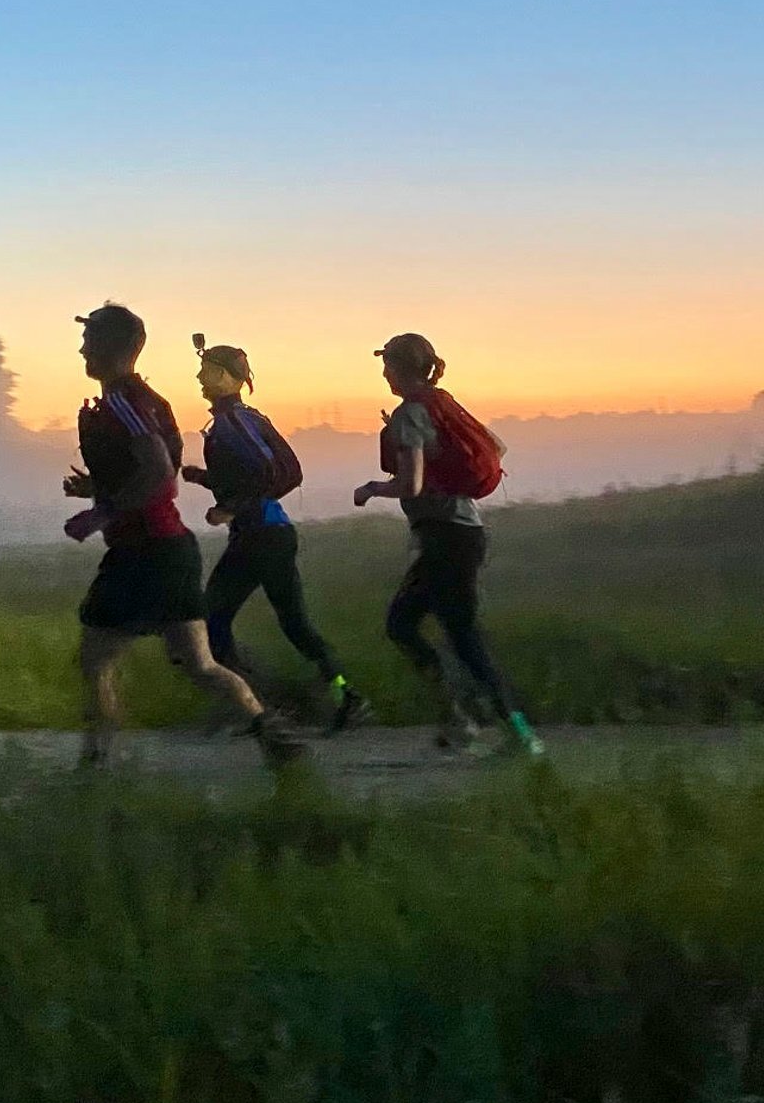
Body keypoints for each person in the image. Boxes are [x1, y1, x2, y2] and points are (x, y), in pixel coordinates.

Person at [60, 303, 303, 768]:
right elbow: (157, 469)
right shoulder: (148, 400)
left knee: (94, 660)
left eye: (88, 340)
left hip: (141, 552)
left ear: (109, 348)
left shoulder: (119, 401)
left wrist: (102, 511)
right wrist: (97, 488)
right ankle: (273, 736)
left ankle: (94, 766)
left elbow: (158, 473)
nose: (82, 349)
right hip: (170, 548)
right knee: (200, 665)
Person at [352, 332, 543, 757]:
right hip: (463, 533)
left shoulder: (411, 415)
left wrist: (370, 489)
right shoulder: (442, 403)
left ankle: (486, 724)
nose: (384, 373)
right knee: (452, 632)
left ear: (402, 369)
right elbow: (496, 447)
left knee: (416, 627)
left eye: (388, 366)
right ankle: (487, 724)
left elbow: (410, 483)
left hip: (444, 538)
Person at [185, 335, 371, 733]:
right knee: (295, 625)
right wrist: (205, 479)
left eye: (206, 371)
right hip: (271, 533)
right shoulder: (249, 419)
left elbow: (268, 473)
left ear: (224, 376)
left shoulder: (232, 423)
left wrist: (232, 507)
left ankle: (256, 709)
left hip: (258, 536)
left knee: (211, 620)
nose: (199, 377)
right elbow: (272, 473)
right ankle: (345, 696)